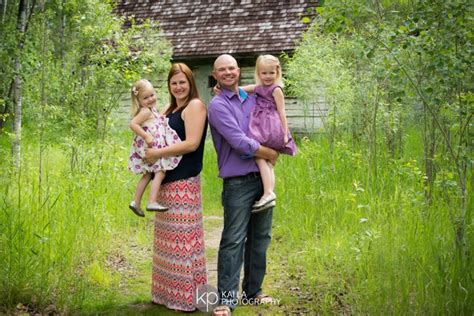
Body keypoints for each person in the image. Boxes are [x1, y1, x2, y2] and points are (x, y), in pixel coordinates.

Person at [208, 54, 279, 316]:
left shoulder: (252, 99)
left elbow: (269, 112)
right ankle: (226, 299)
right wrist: (269, 153)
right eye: (222, 70)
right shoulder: (217, 106)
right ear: (215, 75)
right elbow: (238, 141)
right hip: (237, 181)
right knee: (234, 239)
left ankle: (253, 292)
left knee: (260, 237)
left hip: (262, 178)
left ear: (239, 71)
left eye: (231, 68)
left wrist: (274, 147)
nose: (228, 73)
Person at [143, 63, 208, 312]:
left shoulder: (195, 106)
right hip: (165, 181)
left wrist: (156, 152)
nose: (178, 87)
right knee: (167, 244)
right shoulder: (170, 108)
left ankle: (188, 298)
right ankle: (165, 294)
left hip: (184, 182)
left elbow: (191, 143)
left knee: (184, 243)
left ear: (190, 83)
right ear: (169, 86)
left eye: (183, 82)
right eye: (174, 83)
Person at [242, 55, 297, 212]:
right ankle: (268, 193)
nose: (267, 77)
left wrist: (285, 134)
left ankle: (268, 192)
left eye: (271, 73)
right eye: (264, 73)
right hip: (261, 127)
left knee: (259, 156)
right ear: (258, 73)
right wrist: (221, 89)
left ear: (277, 73)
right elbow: (241, 89)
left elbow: (282, 111)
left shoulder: (276, 89)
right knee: (267, 161)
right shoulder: (260, 88)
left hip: (270, 127)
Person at [128, 79, 182, 217]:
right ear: (138, 100)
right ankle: (152, 201)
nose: (150, 99)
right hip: (151, 145)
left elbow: (159, 118)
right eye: (145, 98)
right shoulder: (145, 111)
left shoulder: (151, 110)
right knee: (160, 171)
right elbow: (133, 124)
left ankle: (136, 201)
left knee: (147, 174)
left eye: (152, 95)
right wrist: (146, 136)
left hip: (150, 146)